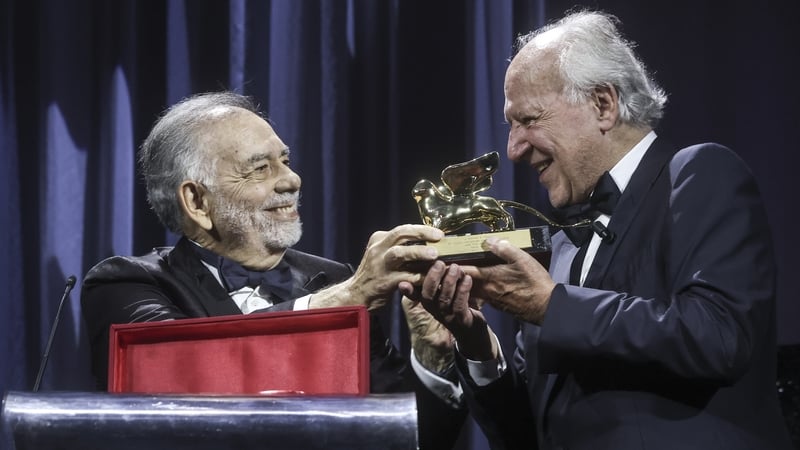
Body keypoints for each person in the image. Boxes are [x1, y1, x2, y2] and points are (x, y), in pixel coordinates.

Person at [404, 10, 794, 450]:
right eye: (510, 126)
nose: (513, 149)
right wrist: (474, 340)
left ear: (603, 105)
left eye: (528, 120)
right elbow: (523, 434)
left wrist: (552, 307)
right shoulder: (564, 247)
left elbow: (719, 335)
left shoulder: (699, 174)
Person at [80, 91, 465, 449]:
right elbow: (187, 370)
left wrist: (432, 355)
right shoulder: (125, 283)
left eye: (285, 160)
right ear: (197, 201)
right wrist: (348, 298)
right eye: (260, 168)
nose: (291, 180)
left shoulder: (330, 277)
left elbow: (407, 438)